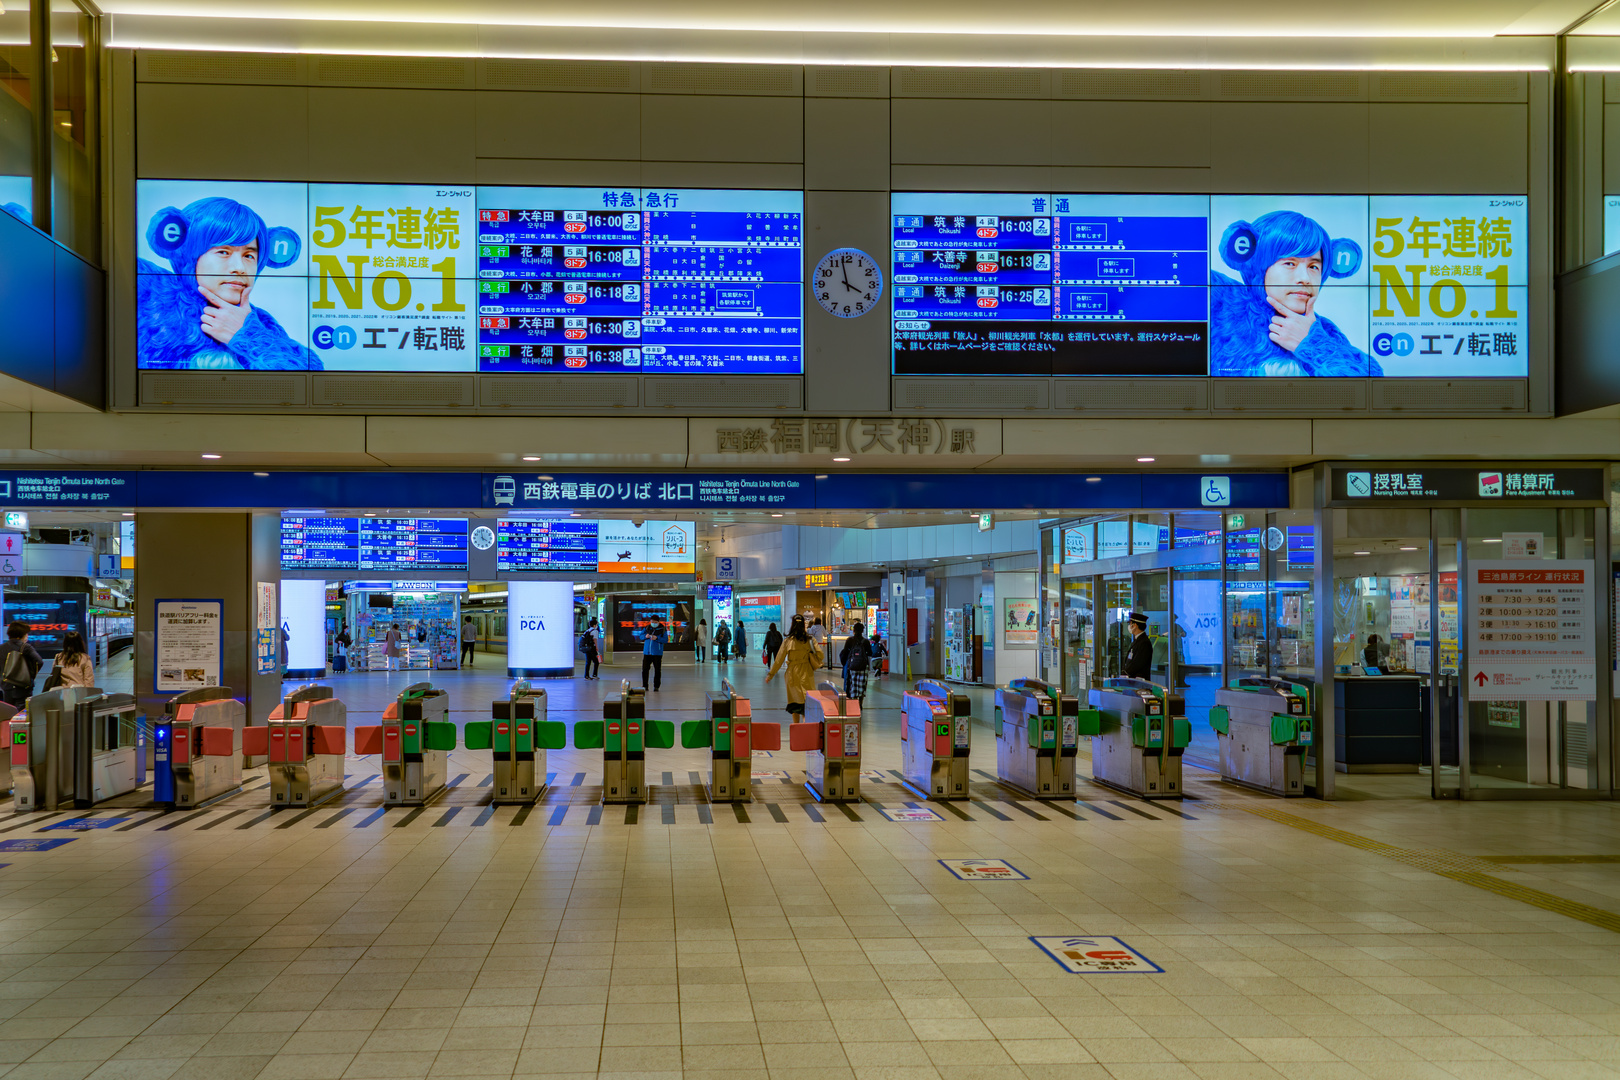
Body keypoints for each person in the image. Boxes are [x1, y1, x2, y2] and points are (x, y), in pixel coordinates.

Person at [137, 196, 321, 370]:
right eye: (223, 252)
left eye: (249, 255)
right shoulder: (151, 287)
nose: (240, 267)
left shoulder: (257, 322)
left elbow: (311, 378)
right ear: (189, 254)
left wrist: (247, 335)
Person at [1209, 210, 1378, 378]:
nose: (1305, 278)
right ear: (1259, 266)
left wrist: (1311, 343)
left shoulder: (1322, 331)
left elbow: (1371, 385)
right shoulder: (1224, 300)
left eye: (1313, 267)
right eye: (1290, 263)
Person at [766, 614, 824, 716]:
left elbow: (779, 660)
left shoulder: (788, 641)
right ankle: (805, 726)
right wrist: (810, 654)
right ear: (803, 625)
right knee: (807, 702)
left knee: (795, 702)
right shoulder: (810, 640)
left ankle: (796, 728)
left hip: (792, 674)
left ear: (792, 625)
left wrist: (771, 675)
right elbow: (820, 655)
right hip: (807, 673)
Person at [0, 623, 41, 709]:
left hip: (7, 686)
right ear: (22, 635)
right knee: (23, 714)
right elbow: (39, 661)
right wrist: (30, 676)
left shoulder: (2, 648)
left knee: (9, 712)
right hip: (23, 687)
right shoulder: (26, 647)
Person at [839, 622, 872, 704]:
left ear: (853, 630)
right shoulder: (866, 642)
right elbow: (870, 653)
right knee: (861, 685)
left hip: (852, 666)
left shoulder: (849, 640)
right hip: (863, 667)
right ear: (862, 630)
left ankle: (853, 703)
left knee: (852, 684)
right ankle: (860, 702)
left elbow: (845, 652)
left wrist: (844, 664)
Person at [1122, 611, 1152, 680]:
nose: (1129, 626)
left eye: (1130, 623)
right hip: (1132, 680)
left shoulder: (1144, 642)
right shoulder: (1137, 641)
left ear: (1135, 625)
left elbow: (1137, 664)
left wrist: (1126, 673)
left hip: (1139, 682)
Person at [640, 618, 667, 691]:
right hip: (647, 652)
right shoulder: (647, 628)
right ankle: (645, 685)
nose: (653, 623)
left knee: (657, 670)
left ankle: (656, 686)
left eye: (655, 622)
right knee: (645, 669)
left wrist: (657, 638)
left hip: (657, 653)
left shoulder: (662, 629)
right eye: (652, 622)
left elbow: (665, 640)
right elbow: (641, 636)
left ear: (658, 622)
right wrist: (645, 636)